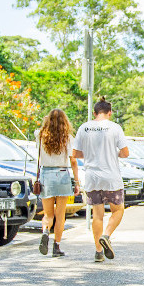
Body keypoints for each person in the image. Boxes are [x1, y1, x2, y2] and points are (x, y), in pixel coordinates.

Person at [73, 97, 129, 263]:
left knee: (97, 215)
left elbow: (75, 154)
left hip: (91, 178)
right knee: (118, 210)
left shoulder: (84, 128)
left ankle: (98, 251)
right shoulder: (115, 128)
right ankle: (106, 235)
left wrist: (91, 155)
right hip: (111, 177)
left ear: (94, 113)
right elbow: (125, 153)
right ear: (109, 113)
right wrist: (114, 153)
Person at [35, 108, 80, 258]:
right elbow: (73, 160)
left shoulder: (40, 135)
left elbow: (40, 128)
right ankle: (56, 247)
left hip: (46, 175)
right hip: (62, 175)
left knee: (48, 214)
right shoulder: (67, 137)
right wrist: (77, 181)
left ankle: (45, 231)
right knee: (60, 215)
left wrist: (47, 120)